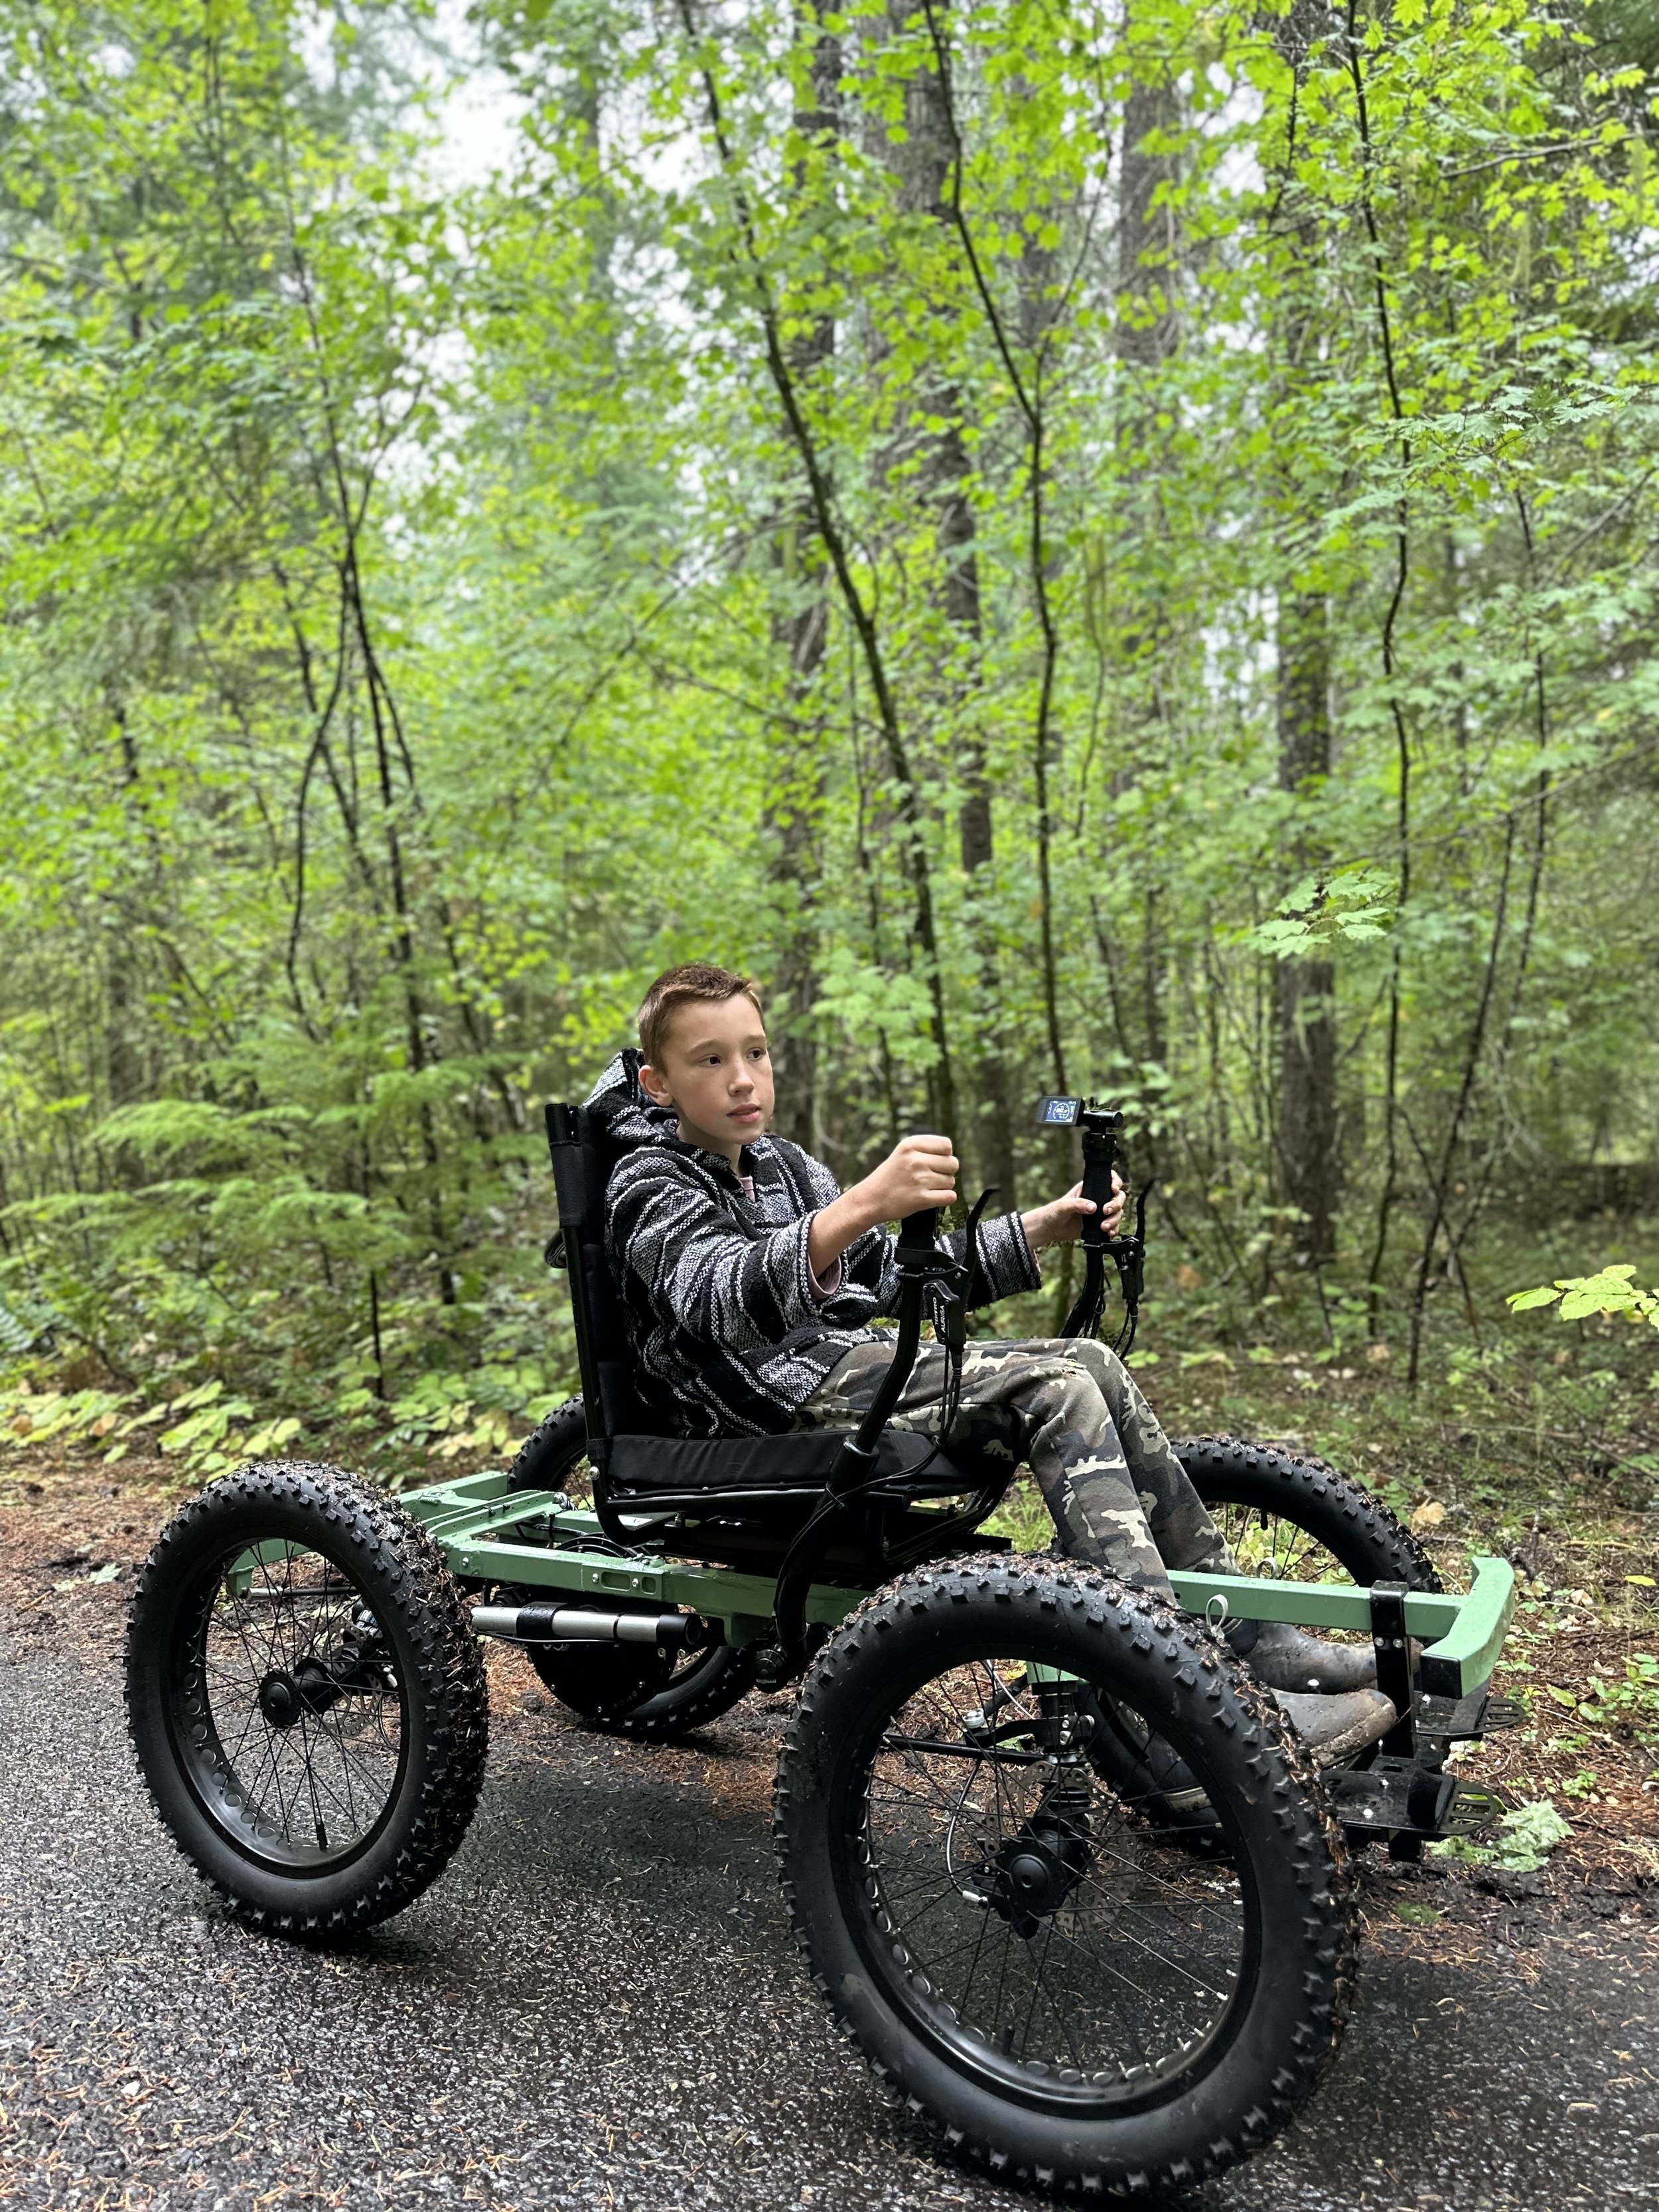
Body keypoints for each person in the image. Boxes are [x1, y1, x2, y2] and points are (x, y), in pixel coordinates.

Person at [588, 960, 1394, 1763]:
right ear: (659, 1084)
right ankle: (1176, 1724)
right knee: (1056, 1388)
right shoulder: (646, 1181)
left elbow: (898, 1278)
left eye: (755, 1053)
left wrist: (1047, 1225)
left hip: (840, 1366)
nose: (742, 1079)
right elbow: (720, 1297)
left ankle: (1249, 1640)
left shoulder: (788, 1167)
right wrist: (865, 1201)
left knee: (1088, 1361)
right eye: (711, 1060)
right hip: (756, 1404)